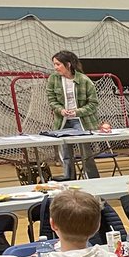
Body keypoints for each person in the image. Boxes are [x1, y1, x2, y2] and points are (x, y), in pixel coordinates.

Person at [46, 51, 100, 179]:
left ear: (68, 64)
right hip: (63, 120)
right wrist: (60, 110)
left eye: (58, 64)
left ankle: (92, 179)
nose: (55, 67)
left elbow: (93, 104)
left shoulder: (84, 80)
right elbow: (51, 99)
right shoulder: (53, 79)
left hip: (81, 121)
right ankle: (69, 178)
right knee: (65, 152)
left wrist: (77, 112)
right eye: (54, 64)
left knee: (86, 153)